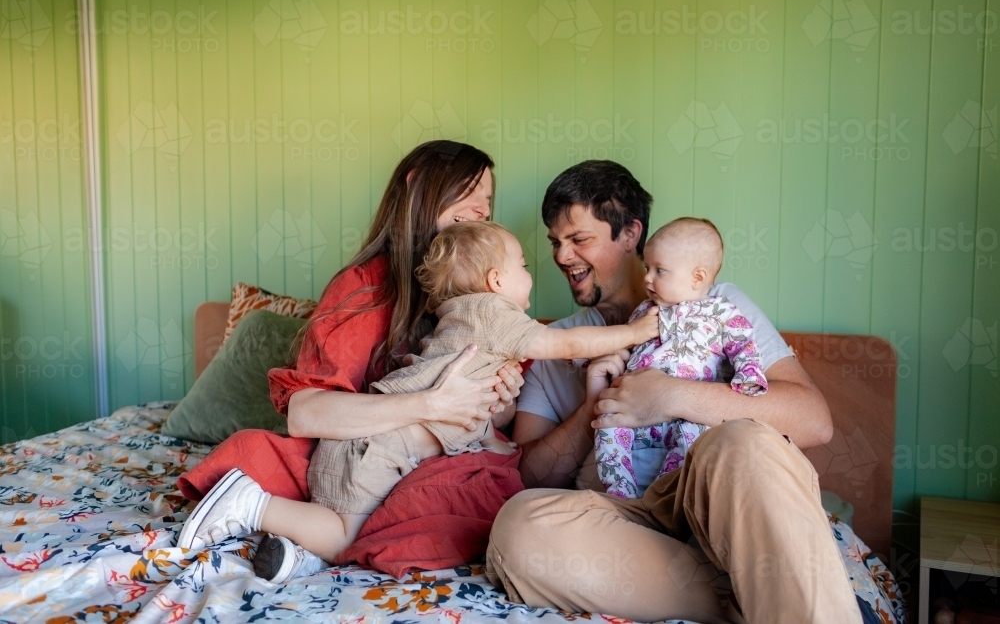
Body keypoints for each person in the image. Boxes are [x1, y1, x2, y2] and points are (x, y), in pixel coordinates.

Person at [486, 160, 864, 624]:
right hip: (628, 522)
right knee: (519, 526)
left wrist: (670, 396)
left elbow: (813, 420)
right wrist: (593, 408)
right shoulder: (558, 343)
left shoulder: (718, 306)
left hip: (715, 503)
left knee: (742, 442)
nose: (562, 256)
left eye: (578, 239)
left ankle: (774, 588)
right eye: (554, 243)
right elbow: (528, 477)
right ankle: (760, 593)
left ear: (630, 234)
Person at [204, 221, 660, 582]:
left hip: (362, 445)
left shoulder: (455, 319)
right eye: (523, 265)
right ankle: (251, 505)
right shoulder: (495, 313)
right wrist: (638, 332)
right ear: (496, 279)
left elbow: (480, 425)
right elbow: (566, 343)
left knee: (358, 528)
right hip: (376, 450)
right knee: (347, 532)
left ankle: (299, 557)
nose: (530, 275)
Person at [176, 140, 527, 580]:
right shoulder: (364, 288)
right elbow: (304, 414)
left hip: (424, 460)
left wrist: (500, 397)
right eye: (469, 191)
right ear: (418, 187)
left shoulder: (484, 300)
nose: (481, 209)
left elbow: (489, 419)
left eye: (488, 201)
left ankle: (313, 548)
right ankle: (331, 535)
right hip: (349, 460)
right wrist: (429, 404)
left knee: (495, 491)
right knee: (262, 458)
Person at [593, 217, 768, 499]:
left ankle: (665, 494)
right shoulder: (644, 312)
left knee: (698, 435)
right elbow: (622, 343)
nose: (647, 277)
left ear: (697, 277)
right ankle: (620, 491)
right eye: (647, 268)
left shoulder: (720, 311)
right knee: (607, 424)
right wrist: (586, 357)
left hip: (683, 414)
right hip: (634, 412)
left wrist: (748, 374)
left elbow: (742, 342)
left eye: (659, 270)